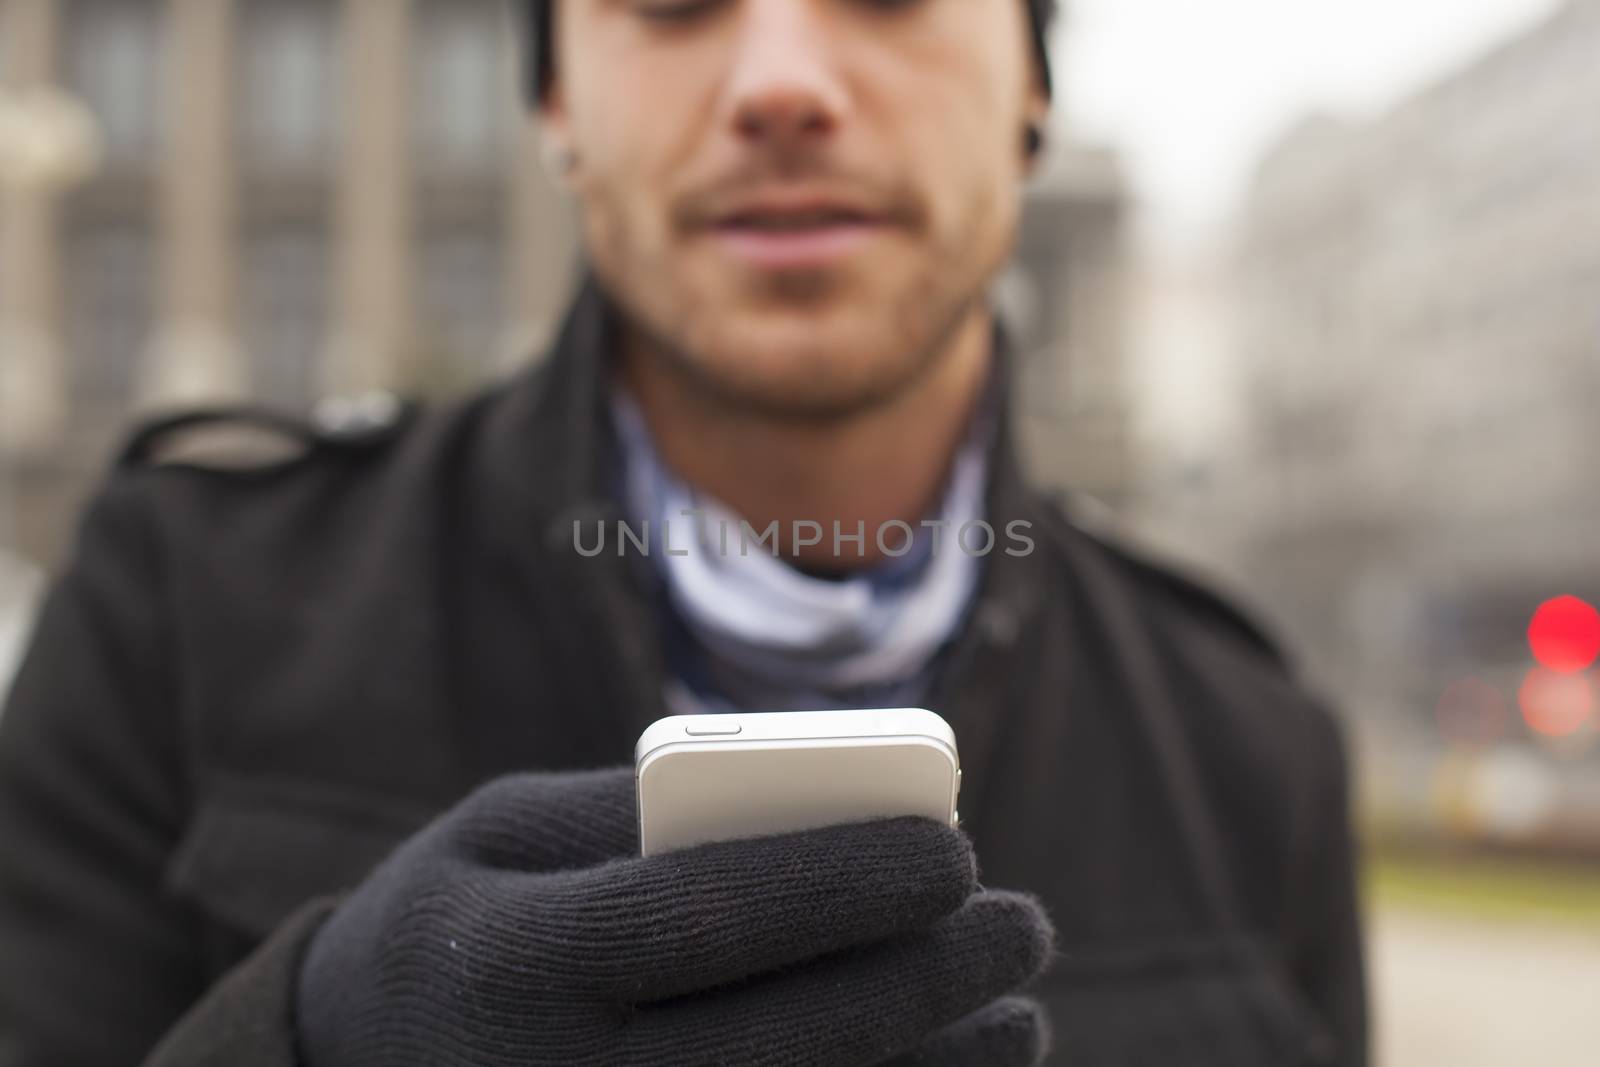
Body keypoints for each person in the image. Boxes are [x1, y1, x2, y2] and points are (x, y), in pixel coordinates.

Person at [0, 1, 1367, 1064]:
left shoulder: (1248, 747)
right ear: (553, 99)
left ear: (1032, 85)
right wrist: (300, 1040)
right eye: (672, 3)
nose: (781, 83)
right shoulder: (180, 606)